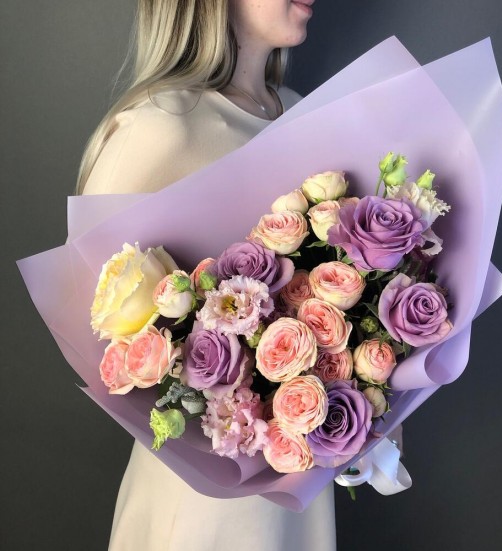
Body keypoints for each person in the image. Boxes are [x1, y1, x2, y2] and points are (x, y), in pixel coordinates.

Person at [80, 1, 336, 550]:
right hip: (201, 496)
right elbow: (93, 310)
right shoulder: (162, 125)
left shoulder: (307, 113)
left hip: (302, 479)